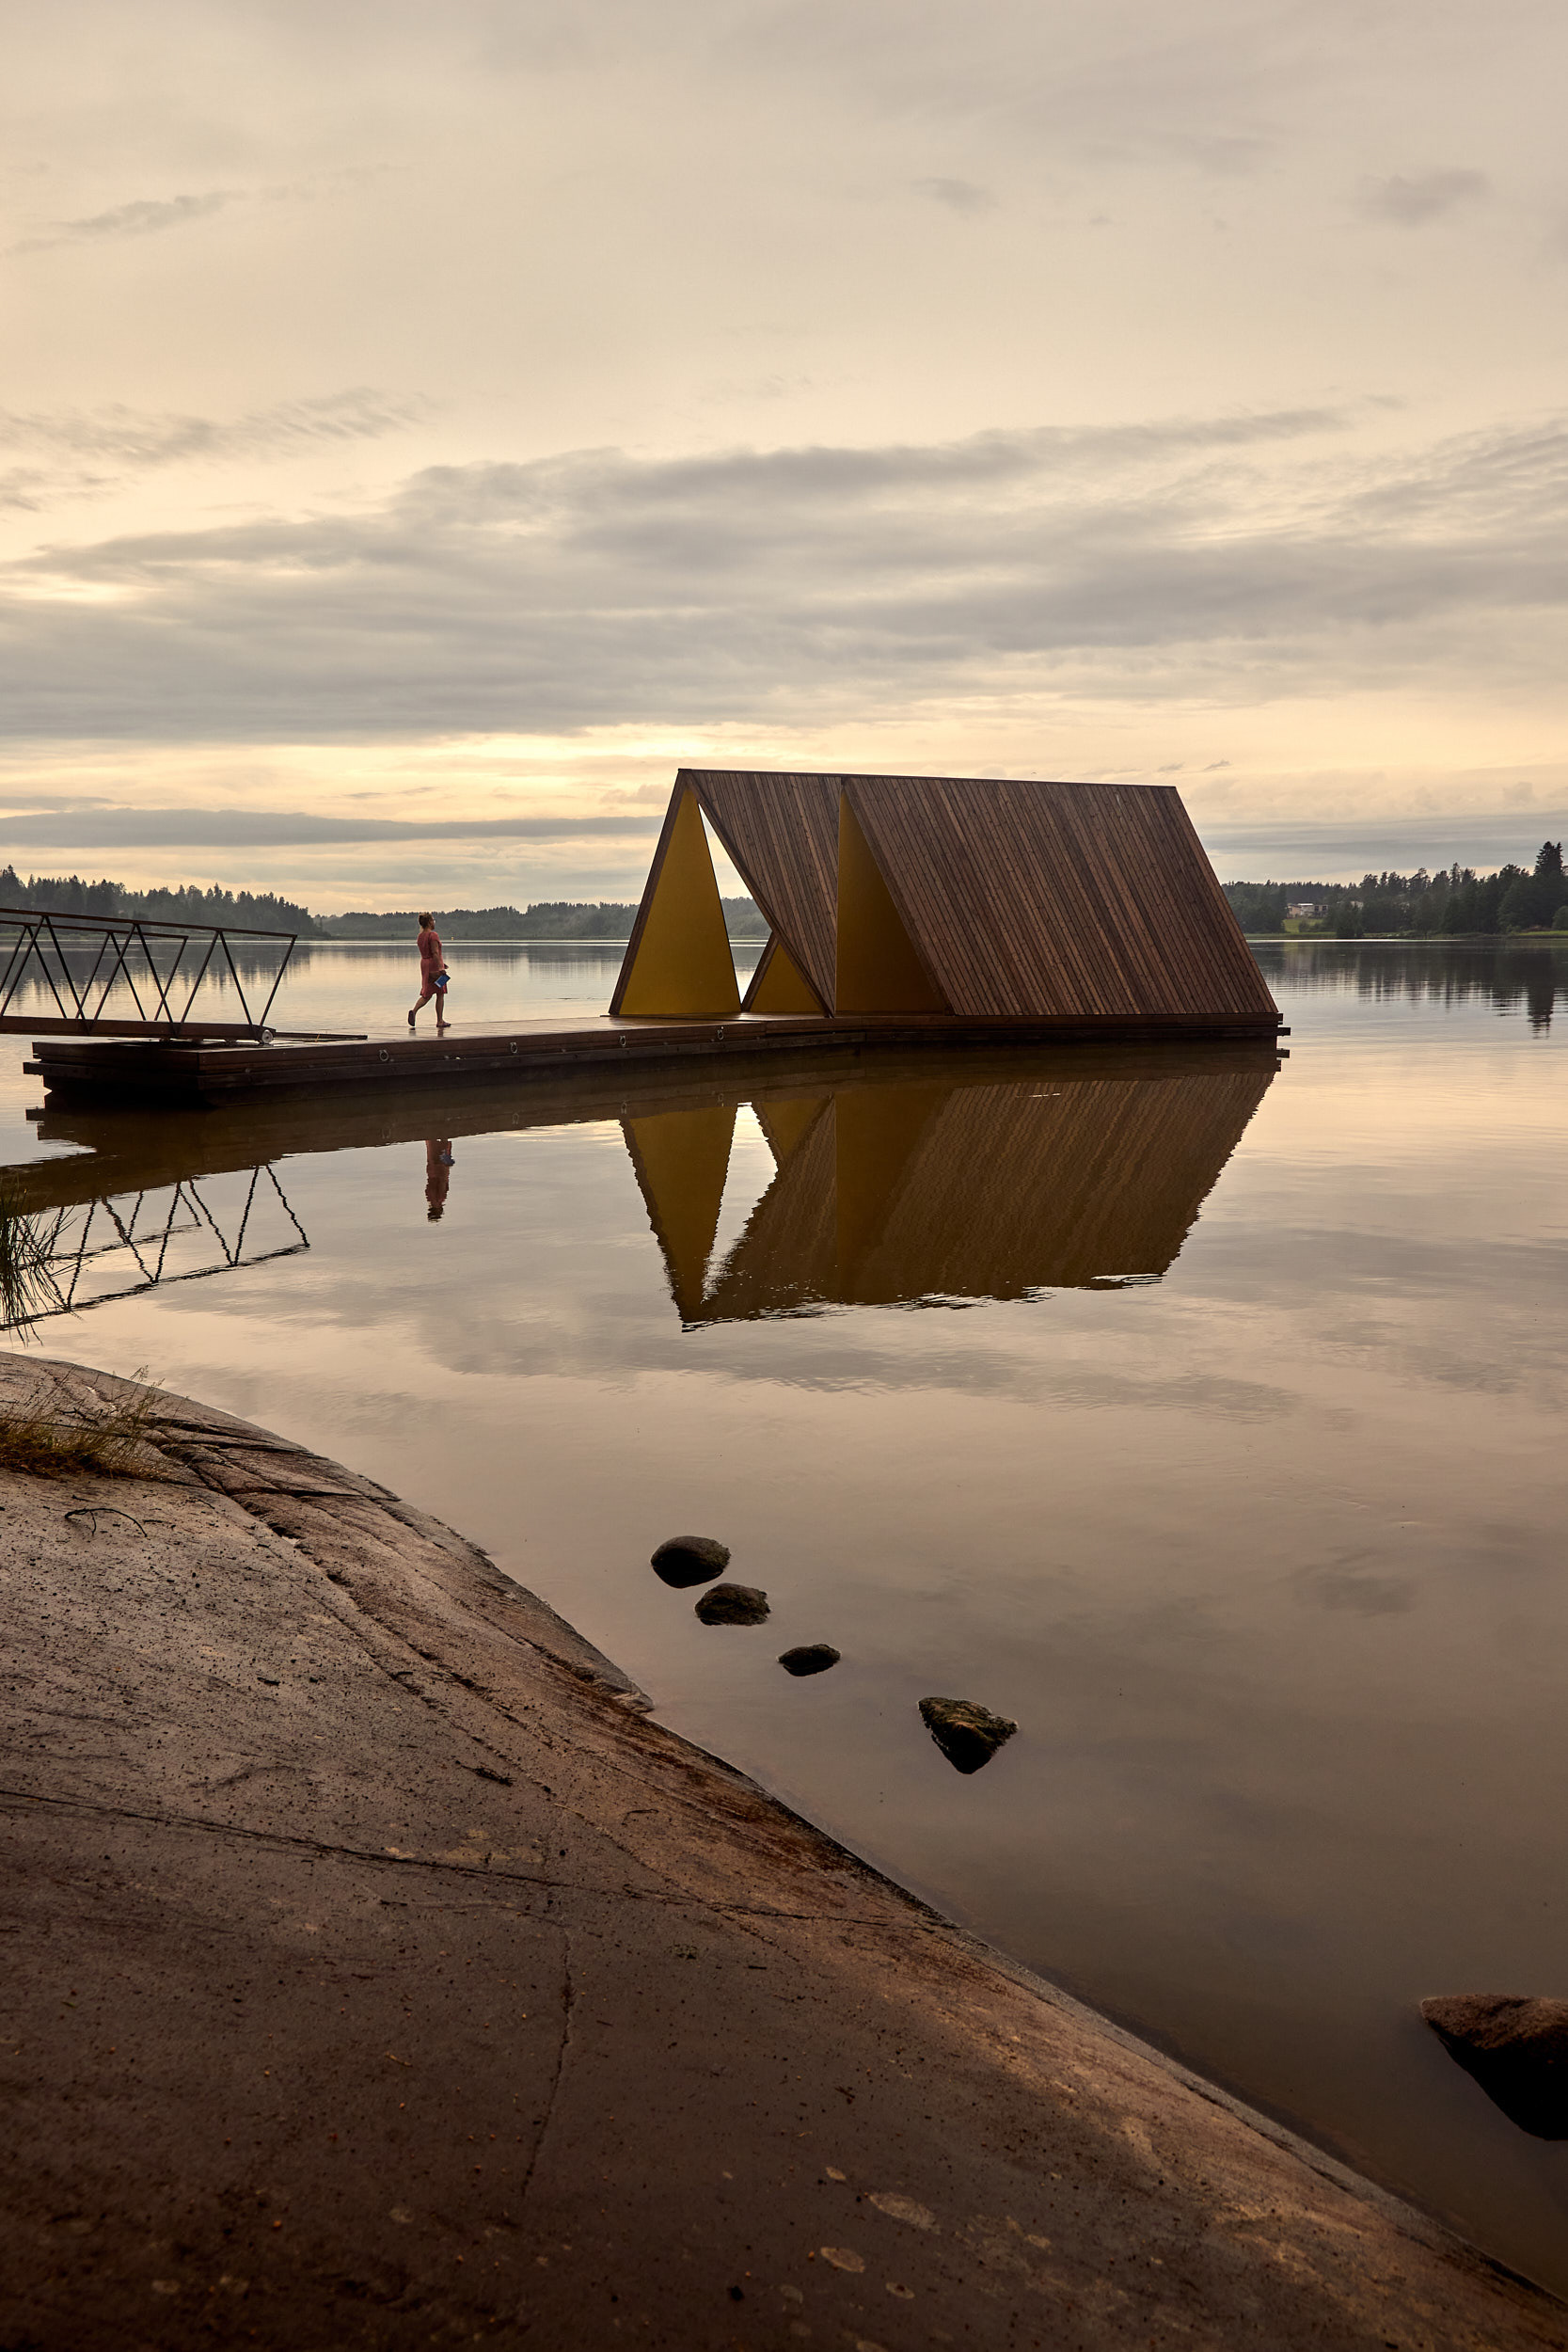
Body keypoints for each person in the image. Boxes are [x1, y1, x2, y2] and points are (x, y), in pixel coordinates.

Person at [408, 913, 449, 1028]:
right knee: (440, 992)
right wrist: (440, 967)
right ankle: (440, 1021)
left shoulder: (420, 936)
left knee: (427, 993)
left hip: (425, 964)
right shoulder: (433, 935)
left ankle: (414, 1011)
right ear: (430, 922)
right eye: (433, 920)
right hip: (434, 967)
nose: (434, 922)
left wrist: (441, 963)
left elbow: (429, 953)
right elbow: (435, 953)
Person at [424, 1136, 453, 1220]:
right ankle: (441, 1138)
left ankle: (442, 1138)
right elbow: (441, 1184)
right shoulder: (437, 1199)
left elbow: (441, 1184)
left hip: (437, 1172)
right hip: (436, 1172)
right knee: (437, 1151)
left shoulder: (438, 1199)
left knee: (437, 1152)